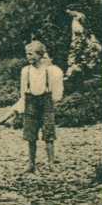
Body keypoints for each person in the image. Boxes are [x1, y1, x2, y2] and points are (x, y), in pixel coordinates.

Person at [19, 40, 64, 173]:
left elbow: (56, 89)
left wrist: (53, 101)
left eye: (31, 54)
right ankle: (31, 164)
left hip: (46, 104)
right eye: (27, 54)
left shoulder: (50, 70)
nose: (28, 57)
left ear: (40, 55)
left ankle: (51, 163)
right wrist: (22, 105)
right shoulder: (25, 71)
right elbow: (22, 90)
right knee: (30, 135)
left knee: (49, 134)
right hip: (30, 103)